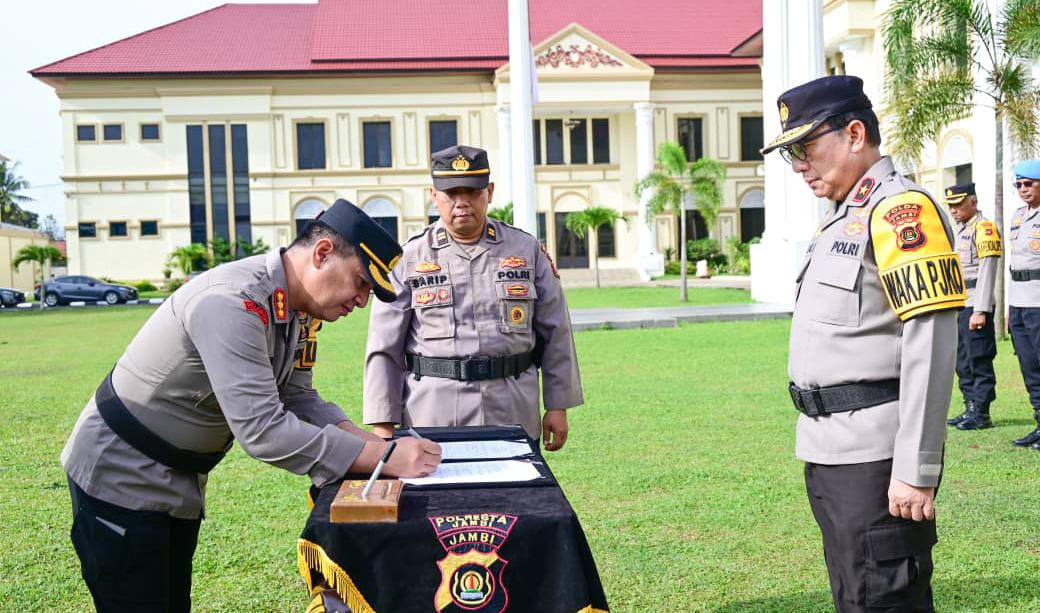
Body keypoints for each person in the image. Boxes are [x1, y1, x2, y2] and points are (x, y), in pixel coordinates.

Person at [61, 199, 442, 612]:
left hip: (177, 478)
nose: (363, 300)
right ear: (323, 253)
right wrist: (383, 457)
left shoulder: (297, 310)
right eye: (360, 282)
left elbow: (297, 396)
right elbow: (263, 430)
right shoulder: (231, 302)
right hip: (122, 473)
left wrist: (373, 445)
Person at [761, 75, 964, 612]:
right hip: (830, 450)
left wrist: (915, 470)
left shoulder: (901, 212)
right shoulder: (841, 218)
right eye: (792, 154)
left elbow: (931, 343)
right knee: (857, 596)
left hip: (877, 457)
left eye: (806, 148)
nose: (800, 164)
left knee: (885, 599)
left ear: (855, 133)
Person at [363, 145, 582, 449]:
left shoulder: (525, 250)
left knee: (515, 494)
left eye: (473, 192)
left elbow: (556, 331)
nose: (462, 203)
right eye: (451, 194)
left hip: (511, 406)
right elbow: (384, 345)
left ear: (489, 192)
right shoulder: (409, 257)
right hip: (434, 412)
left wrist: (558, 406)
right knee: (442, 495)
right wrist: (383, 424)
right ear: (434, 195)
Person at [944, 183, 1001, 430]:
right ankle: (969, 406)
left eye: (958, 204)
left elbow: (988, 270)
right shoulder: (956, 230)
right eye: (951, 206)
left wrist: (981, 309)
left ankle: (982, 411)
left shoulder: (984, 228)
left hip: (975, 300)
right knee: (962, 359)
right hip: (957, 301)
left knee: (979, 357)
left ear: (973, 202)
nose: (954, 210)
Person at [1006, 159, 1040, 450]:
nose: (1023, 189)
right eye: (1018, 184)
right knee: (1029, 366)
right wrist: (1009, 307)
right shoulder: (1018, 216)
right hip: (1019, 301)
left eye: (1028, 183)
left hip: (1038, 303)